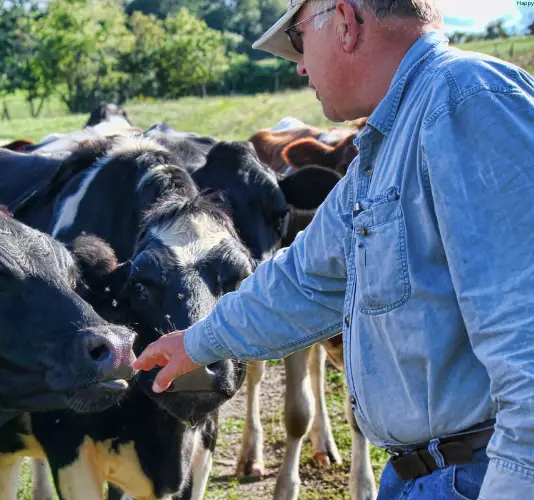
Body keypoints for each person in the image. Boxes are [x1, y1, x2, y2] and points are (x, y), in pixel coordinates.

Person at [132, 0, 534, 498]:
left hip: (482, 474)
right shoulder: (386, 144)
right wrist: (195, 342)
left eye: (299, 41)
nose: (298, 65)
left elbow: (528, 336)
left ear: (344, 22)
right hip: (429, 474)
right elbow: (305, 280)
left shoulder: (467, 100)